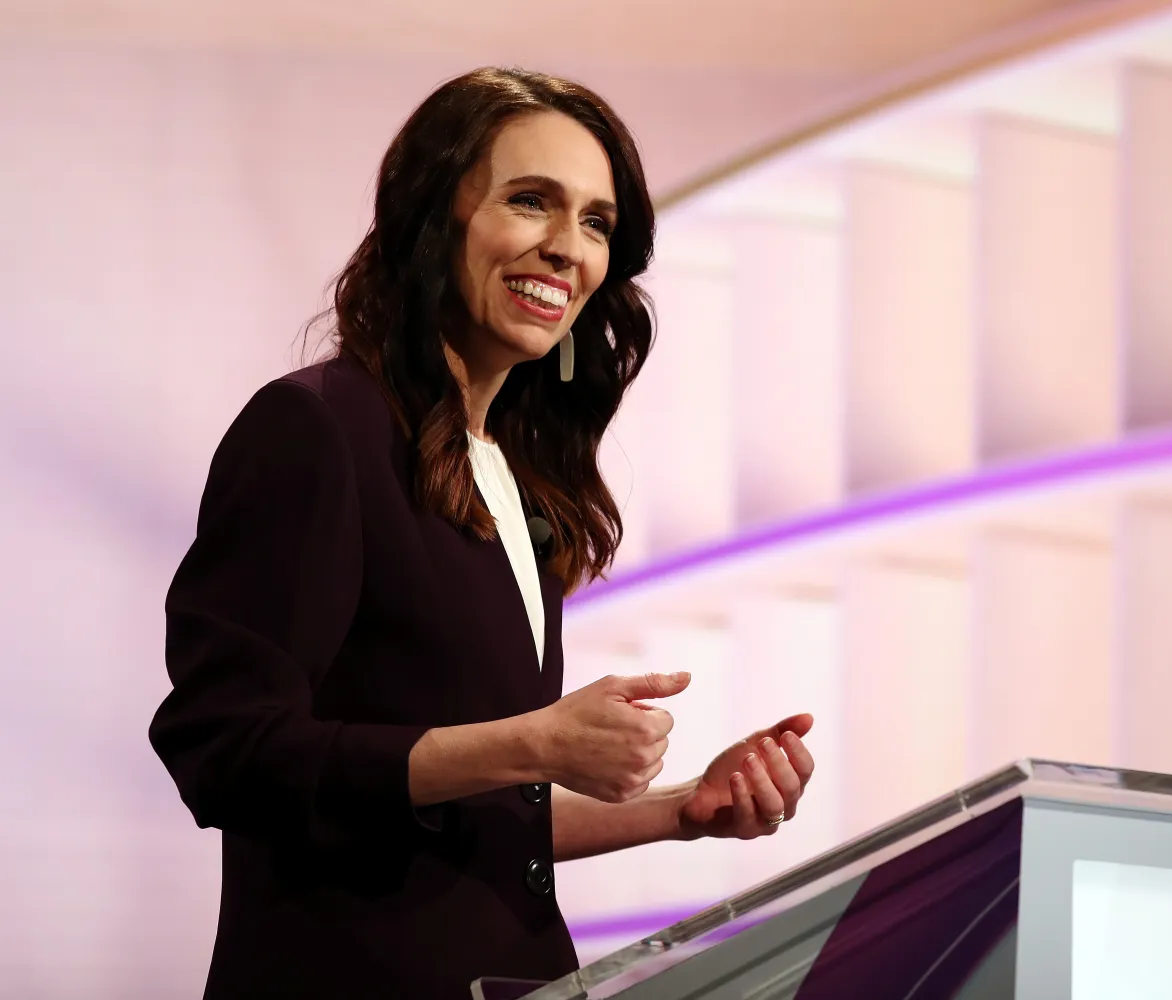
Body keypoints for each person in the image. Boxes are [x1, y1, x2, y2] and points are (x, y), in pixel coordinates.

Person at [148, 67, 816, 1000]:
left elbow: (471, 813)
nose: (565, 249)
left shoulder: (510, 474)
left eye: (595, 223)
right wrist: (537, 743)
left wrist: (682, 811)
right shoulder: (318, 429)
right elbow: (228, 752)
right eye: (531, 202)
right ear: (435, 217)